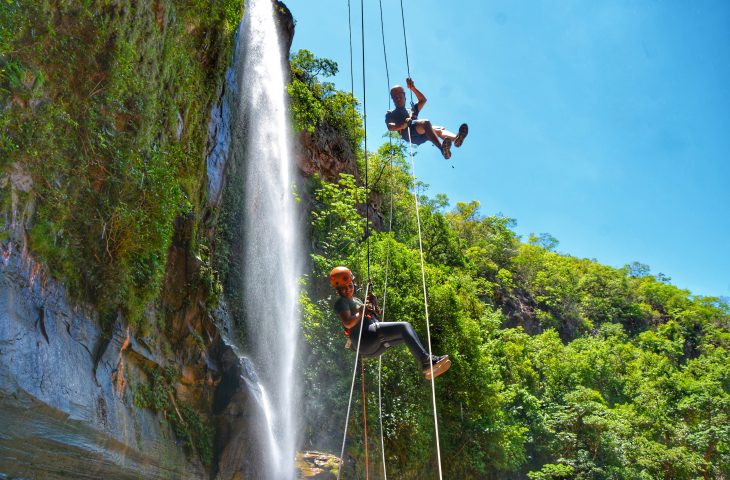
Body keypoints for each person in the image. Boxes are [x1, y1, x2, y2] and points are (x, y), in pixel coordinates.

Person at [329, 266, 451, 380]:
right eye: (343, 288)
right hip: (364, 338)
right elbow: (348, 323)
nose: (347, 289)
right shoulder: (341, 302)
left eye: (349, 285)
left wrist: (374, 304)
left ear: (353, 284)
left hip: (371, 345)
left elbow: (376, 320)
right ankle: (426, 361)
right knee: (404, 326)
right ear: (337, 290)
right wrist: (361, 311)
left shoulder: (357, 300)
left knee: (406, 335)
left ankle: (427, 366)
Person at [385, 78, 468, 160]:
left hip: (421, 135)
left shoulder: (412, 110)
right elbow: (390, 126)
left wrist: (412, 88)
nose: (398, 98)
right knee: (425, 123)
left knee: (439, 129)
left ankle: (456, 139)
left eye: (399, 95)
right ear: (392, 99)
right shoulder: (391, 113)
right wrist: (402, 125)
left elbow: (423, 100)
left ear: (404, 96)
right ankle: (442, 149)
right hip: (408, 134)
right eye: (395, 97)